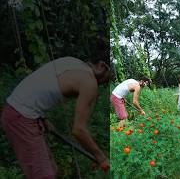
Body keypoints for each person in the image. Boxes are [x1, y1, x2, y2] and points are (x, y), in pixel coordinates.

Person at [0, 40, 110, 179]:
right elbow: (78, 129)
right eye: (109, 76)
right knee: (44, 175)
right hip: (21, 116)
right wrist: (101, 157)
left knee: (51, 169)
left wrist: (42, 118)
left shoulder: (72, 62)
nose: (107, 81)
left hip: (20, 112)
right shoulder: (89, 82)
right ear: (101, 66)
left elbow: (37, 87)